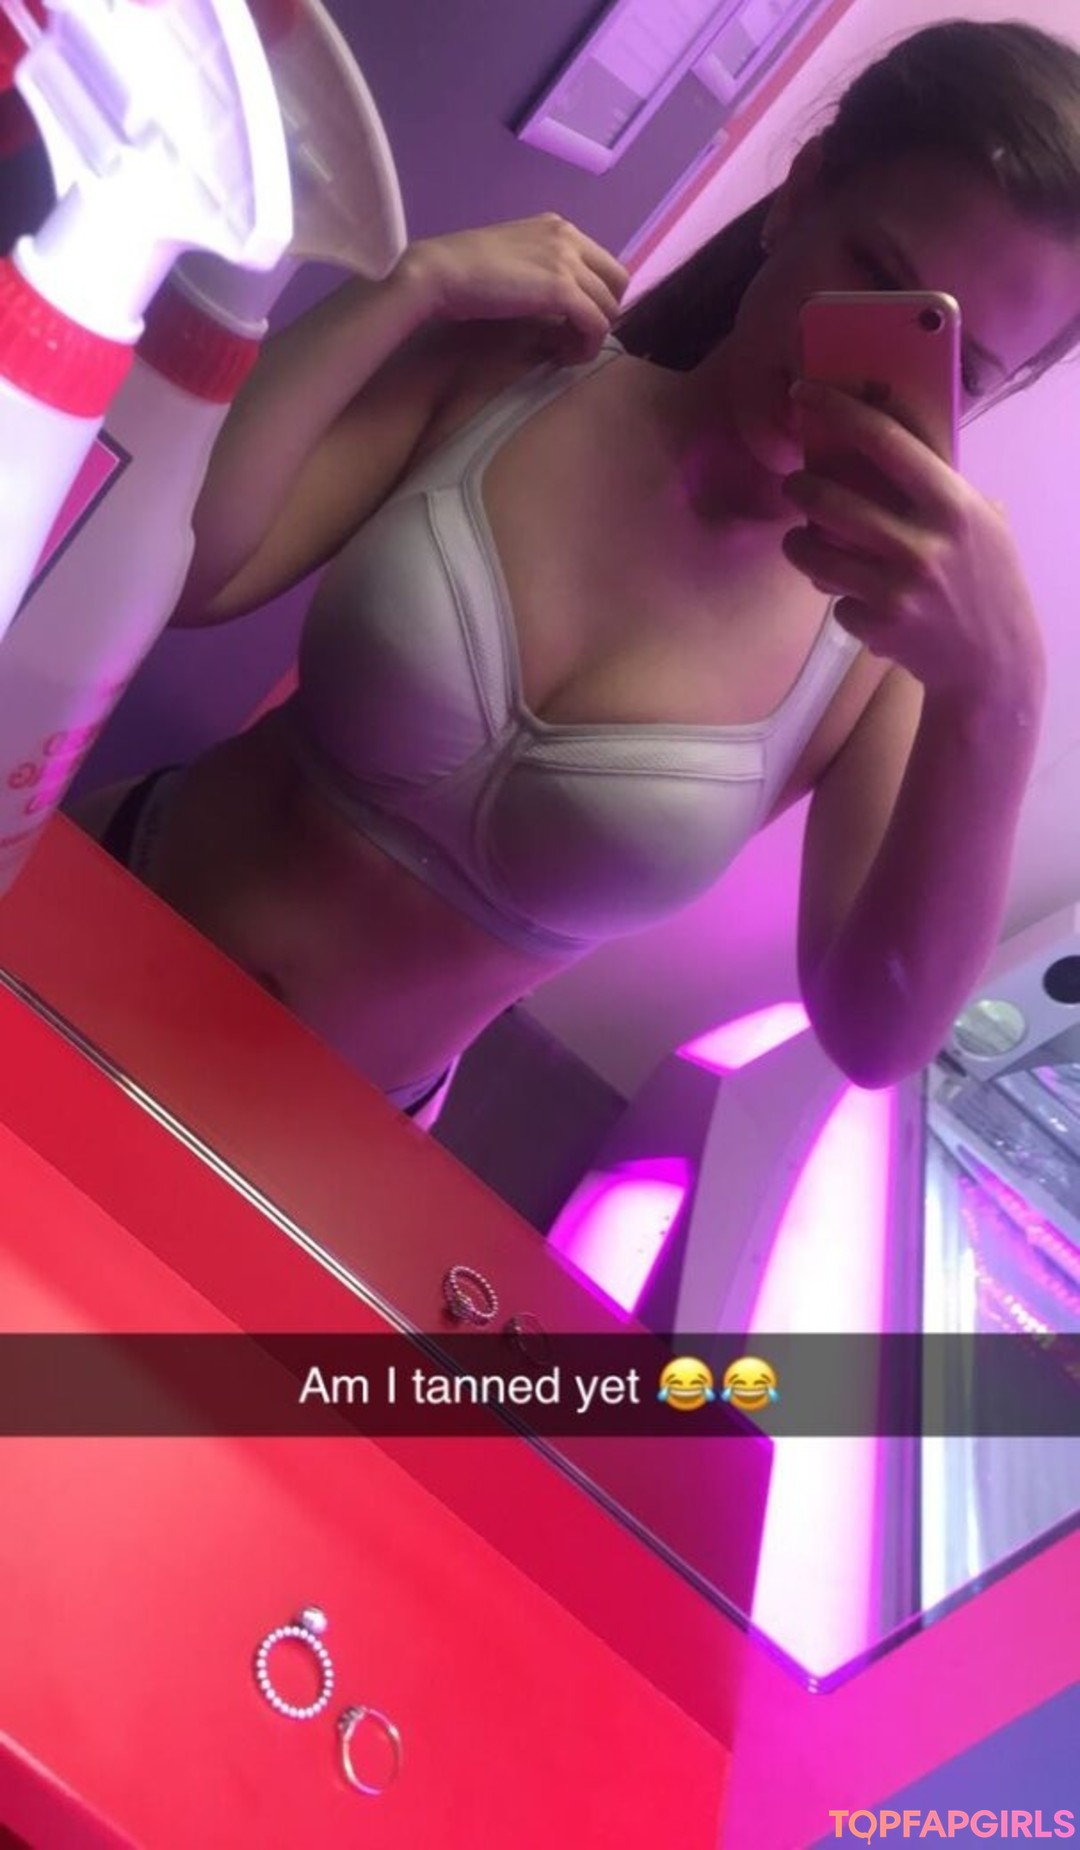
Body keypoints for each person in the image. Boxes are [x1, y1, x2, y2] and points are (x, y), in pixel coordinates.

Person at [70, 19, 1080, 1119]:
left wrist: (1003, 698)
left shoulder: (878, 654)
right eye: (874, 274)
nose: (858, 368)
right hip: (103, 908)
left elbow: (875, 1036)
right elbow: (191, 573)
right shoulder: (520, 365)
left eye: (952, 364)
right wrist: (406, 287)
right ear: (800, 194)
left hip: (327, 1140)